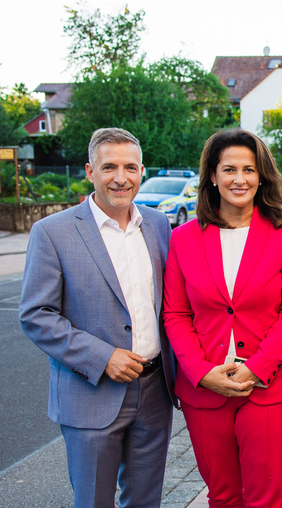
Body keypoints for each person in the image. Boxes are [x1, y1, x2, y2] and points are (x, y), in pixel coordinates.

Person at [19, 128, 177, 508]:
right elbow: (37, 315)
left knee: (146, 501)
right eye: (109, 167)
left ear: (142, 171)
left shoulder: (158, 226)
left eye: (129, 167)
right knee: (93, 501)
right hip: (90, 393)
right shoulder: (52, 232)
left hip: (155, 390)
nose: (120, 178)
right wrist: (103, 357)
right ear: (90, 171)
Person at [164, 129, 282, 507]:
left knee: (264, 497)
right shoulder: (182, 238)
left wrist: (258, 368)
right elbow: (176, 314)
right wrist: (200, 371)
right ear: (212, 176)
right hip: (205, 389)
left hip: (269, 387)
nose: (239, 179)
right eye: (229, 169)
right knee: (222, 495)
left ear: (261, 175)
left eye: (249, 169)